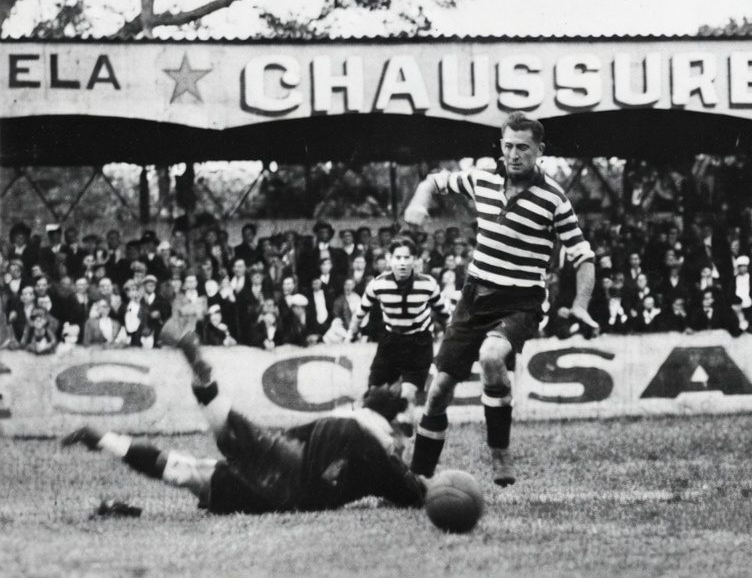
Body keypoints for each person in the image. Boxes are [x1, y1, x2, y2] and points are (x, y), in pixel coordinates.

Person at [402, 111, 598, 486]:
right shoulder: (483, 179)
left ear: (539, 150)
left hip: (521, 300)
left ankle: (500, 453)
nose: (513, 155)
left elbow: (583, 256)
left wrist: (581, 305)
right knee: (439, 390)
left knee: (492, 356)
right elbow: (434, 181)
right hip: (475, 295)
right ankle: (417, 477)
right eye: (507, 146)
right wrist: (419, 203)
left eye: (522, 147)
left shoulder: (553, 199)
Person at [61, 325, 427, 515]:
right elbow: (409, 490)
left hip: (287, 452)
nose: (411, 429)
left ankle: (106, 436)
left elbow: (288, 436)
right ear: (393, 422)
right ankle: (106, 439)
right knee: (188, 472)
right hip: (293, 487)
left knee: (221, 441)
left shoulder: (347, 422)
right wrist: (426, 486)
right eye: (409, 422)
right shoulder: (380, 448)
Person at [346, 237, 446, 436]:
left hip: (419, 341)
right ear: (389, 259)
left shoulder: (428, 284)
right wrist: (350, 334)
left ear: (415, 260)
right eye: (397, 257)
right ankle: (369, 425)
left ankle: (405, 427)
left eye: (407, 257)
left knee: (408, 393)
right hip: (391, 340)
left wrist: (450, 341)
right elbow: (360, 313)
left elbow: (444, 314)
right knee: (375, 392)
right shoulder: (378, 285)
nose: (402, 262)